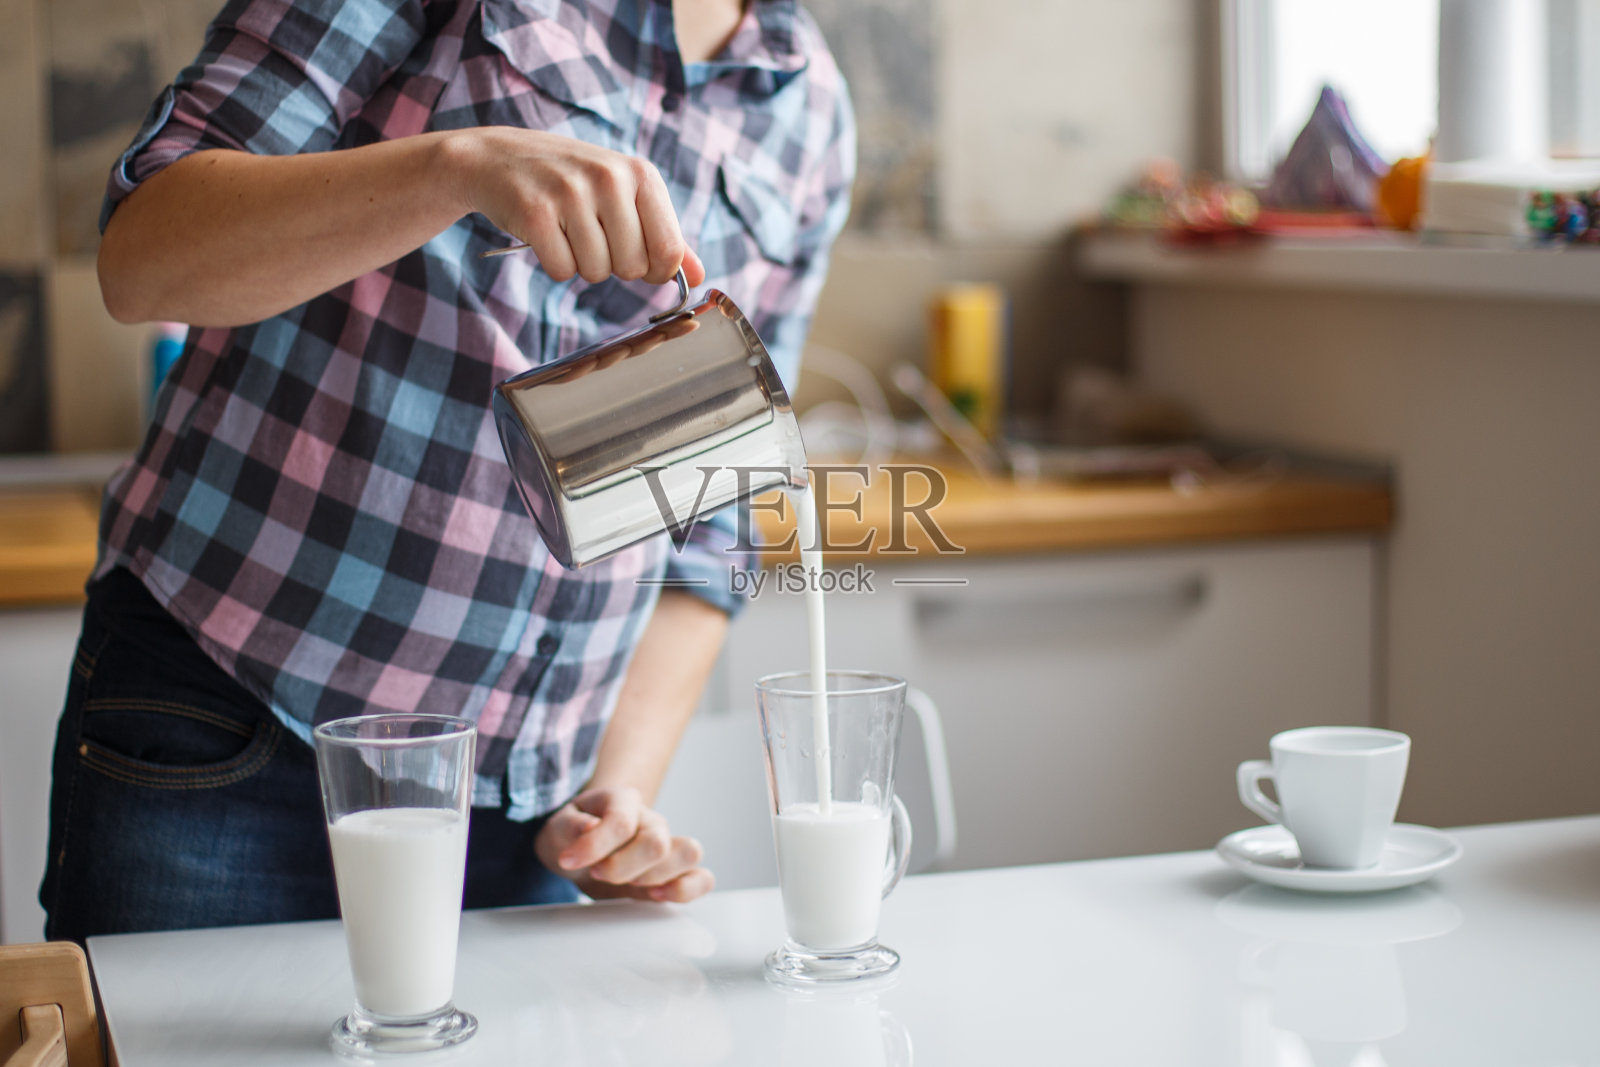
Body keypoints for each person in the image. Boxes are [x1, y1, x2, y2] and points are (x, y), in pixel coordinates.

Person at [40, 0, 853, 940]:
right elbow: (144, 256)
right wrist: (457, 166)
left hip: (518, 824)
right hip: (236, 741)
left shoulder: (811, 106)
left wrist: (613, 795)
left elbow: (713, 516)